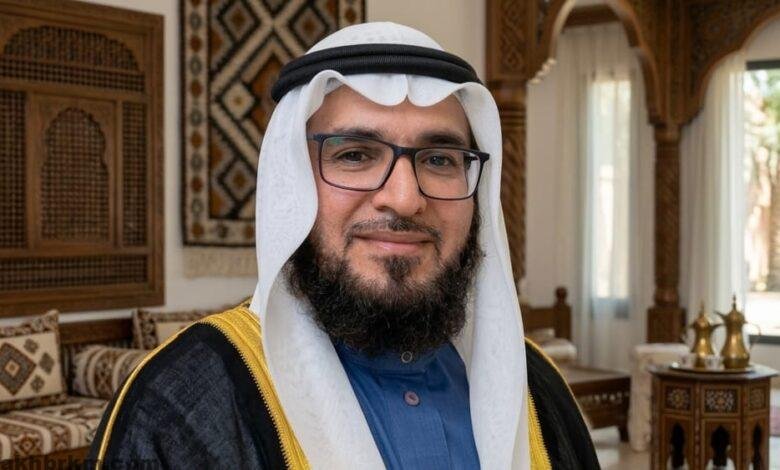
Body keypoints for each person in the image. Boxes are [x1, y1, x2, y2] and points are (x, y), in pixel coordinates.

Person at [87, 22, 598, 469]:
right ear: (292, 185)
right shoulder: (180, 404)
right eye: (355, 155)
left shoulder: (536, 387)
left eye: (440, 160)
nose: (405, 199)